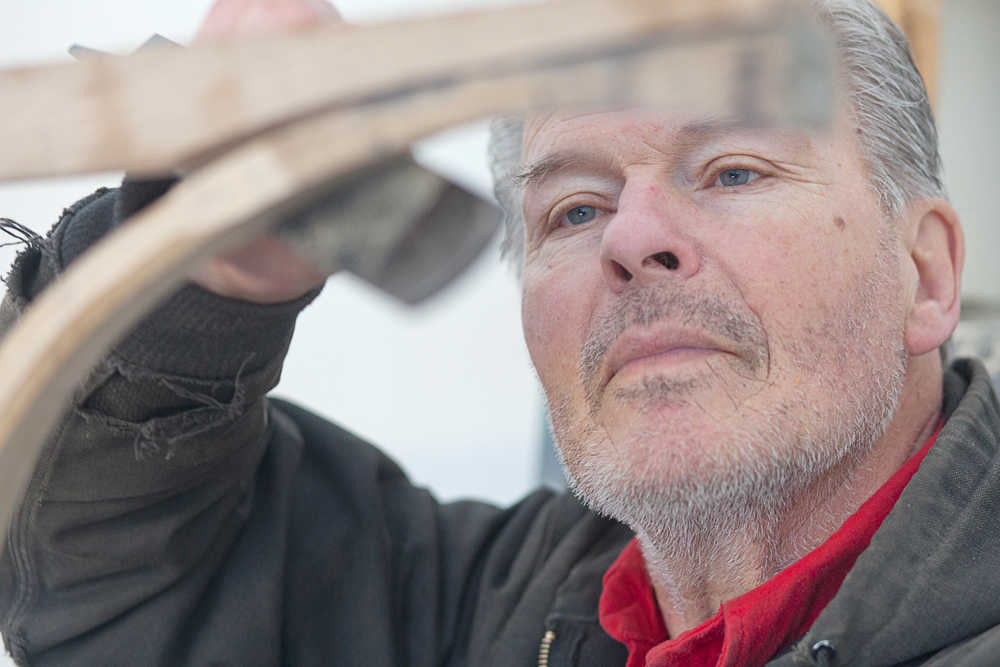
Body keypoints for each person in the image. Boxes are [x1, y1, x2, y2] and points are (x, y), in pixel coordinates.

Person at [2, 0, 997, 665]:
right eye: (574, 209)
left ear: (925, 273)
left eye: (734, 171)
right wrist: (205, 287)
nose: (632, 237)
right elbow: (117, 575)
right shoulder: (476, 616)